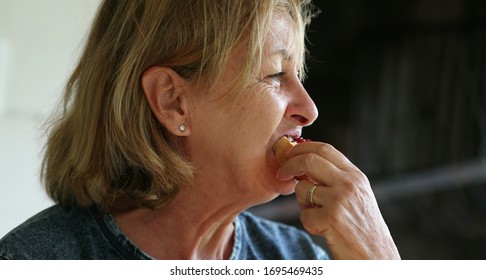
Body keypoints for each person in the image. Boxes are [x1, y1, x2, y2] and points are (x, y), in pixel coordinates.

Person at [0, 0, 400, 260]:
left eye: (299, 74)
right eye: (276, 74)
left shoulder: (297, 258)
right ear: (172, 101)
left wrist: (380, 262)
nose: (308, 109)